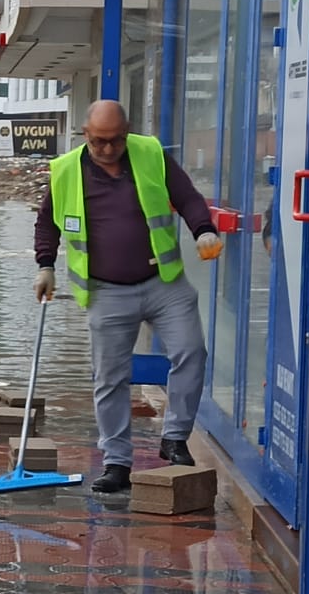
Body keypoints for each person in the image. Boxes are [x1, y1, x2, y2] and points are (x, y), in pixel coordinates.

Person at [34, 100, 222, 493]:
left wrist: (203, 229)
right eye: (99, 141)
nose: (107, 149)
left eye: (116, 140)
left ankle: (174, 439)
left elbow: (186, 196)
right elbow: (47, 221)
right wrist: (45, 265)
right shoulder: (66, 170)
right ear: (85, 135)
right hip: (106, 291)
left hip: (163, 282)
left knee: (192, 352)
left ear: (127, 131)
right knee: (110, 378)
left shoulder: (150, 153)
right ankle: (117, 463)